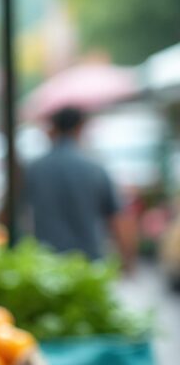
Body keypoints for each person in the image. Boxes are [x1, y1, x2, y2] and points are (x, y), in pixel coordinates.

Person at [21, 106, 136, 269]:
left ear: (52, 129)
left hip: (46, 268)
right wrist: (127, 261)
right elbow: (119, 220)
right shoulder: (95, 169)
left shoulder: (34, 169)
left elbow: (10, 216)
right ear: (81, 127)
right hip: (89, 265)